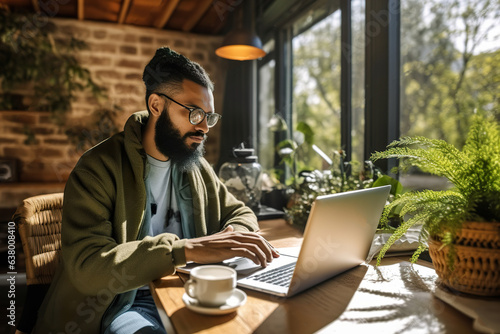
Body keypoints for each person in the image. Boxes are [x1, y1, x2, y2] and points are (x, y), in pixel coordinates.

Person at [32, 47, 279, 334]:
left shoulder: (195, 166)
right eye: (195, 113)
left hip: (188, 291)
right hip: (124, 303)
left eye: (209, 117)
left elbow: (240, 211)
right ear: (156, 105)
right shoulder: (97, 169)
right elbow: (88, 268)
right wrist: (185, 250)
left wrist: (233, 234)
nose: (204, 128)